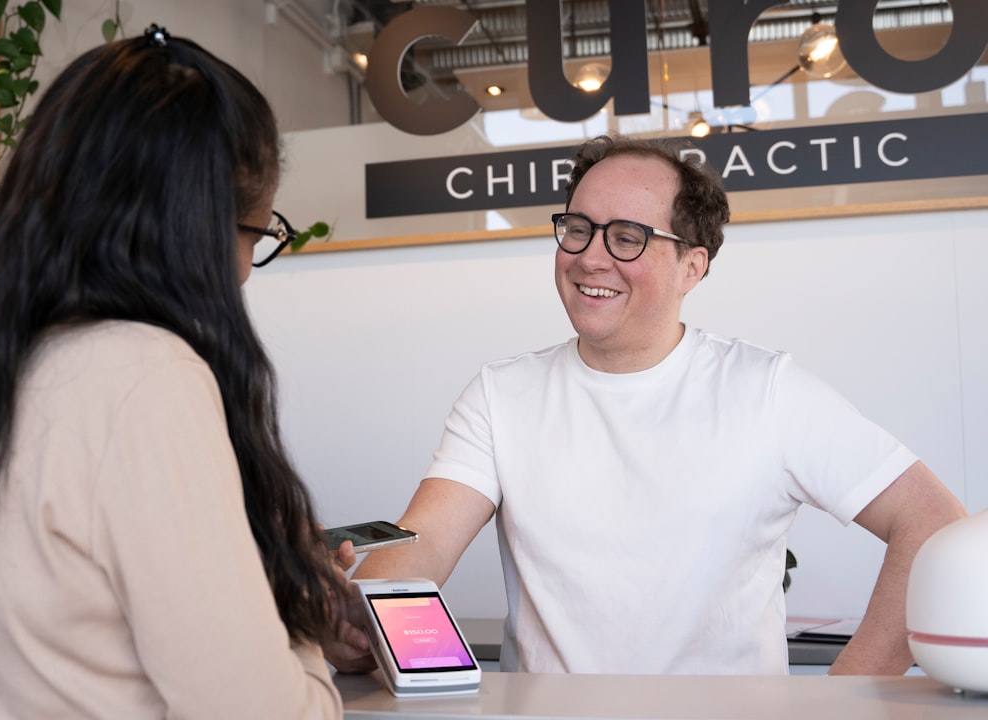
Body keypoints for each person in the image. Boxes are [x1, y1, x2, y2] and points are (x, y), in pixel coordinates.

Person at [330, 134, 967, 676]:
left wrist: (845, 698)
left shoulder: (768, 390)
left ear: (693, 267)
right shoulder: (501, 395)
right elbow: (422, 549)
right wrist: (350, 614)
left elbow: (932, 522)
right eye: (577, 229)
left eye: (627, 236)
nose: (589, 256)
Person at [0, 27, 348, 719]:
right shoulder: (143, 379)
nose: (240, 275)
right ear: (196, 229)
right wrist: (297, 617)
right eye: (254, 235)